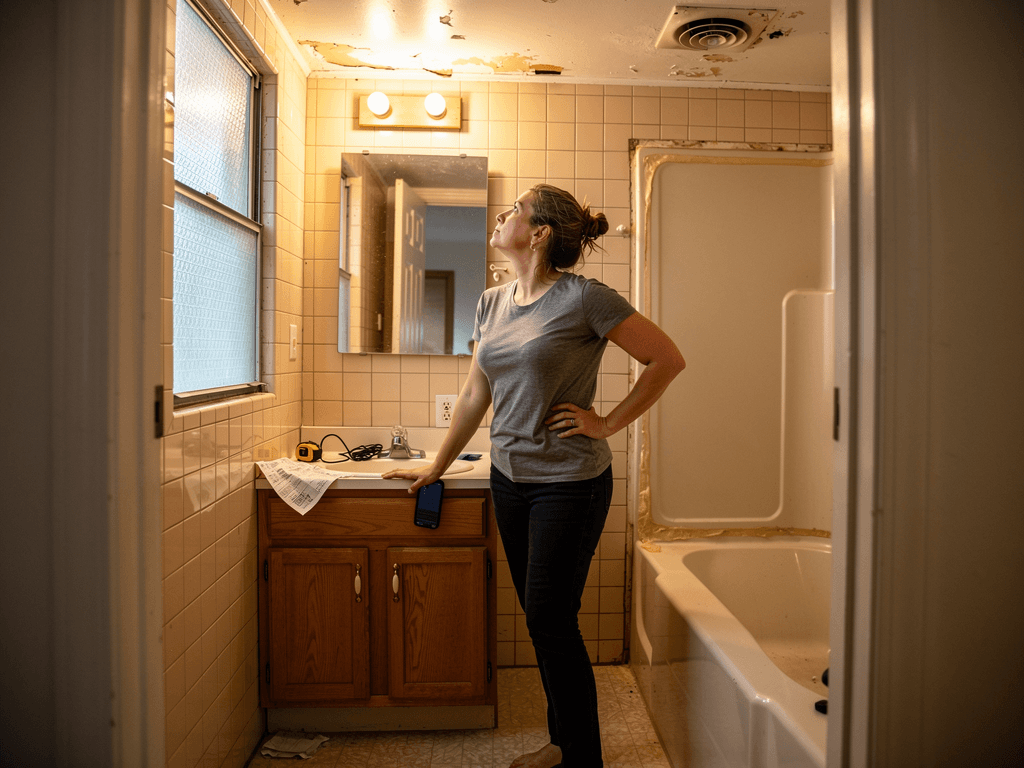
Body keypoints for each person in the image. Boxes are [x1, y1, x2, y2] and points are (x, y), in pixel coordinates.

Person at [383, 184, 685, 768]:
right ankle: (562, 744)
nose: (502, 215)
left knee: (550, 619)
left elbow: (666, 359)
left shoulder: (585, 298)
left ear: (540, 232)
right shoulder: (491, 302)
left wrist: (607, 422)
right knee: (544, 619)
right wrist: (437, 465)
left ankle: (580, 758)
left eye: (515, 209)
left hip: (570, 483)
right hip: (509, 479)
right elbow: (476, 393)